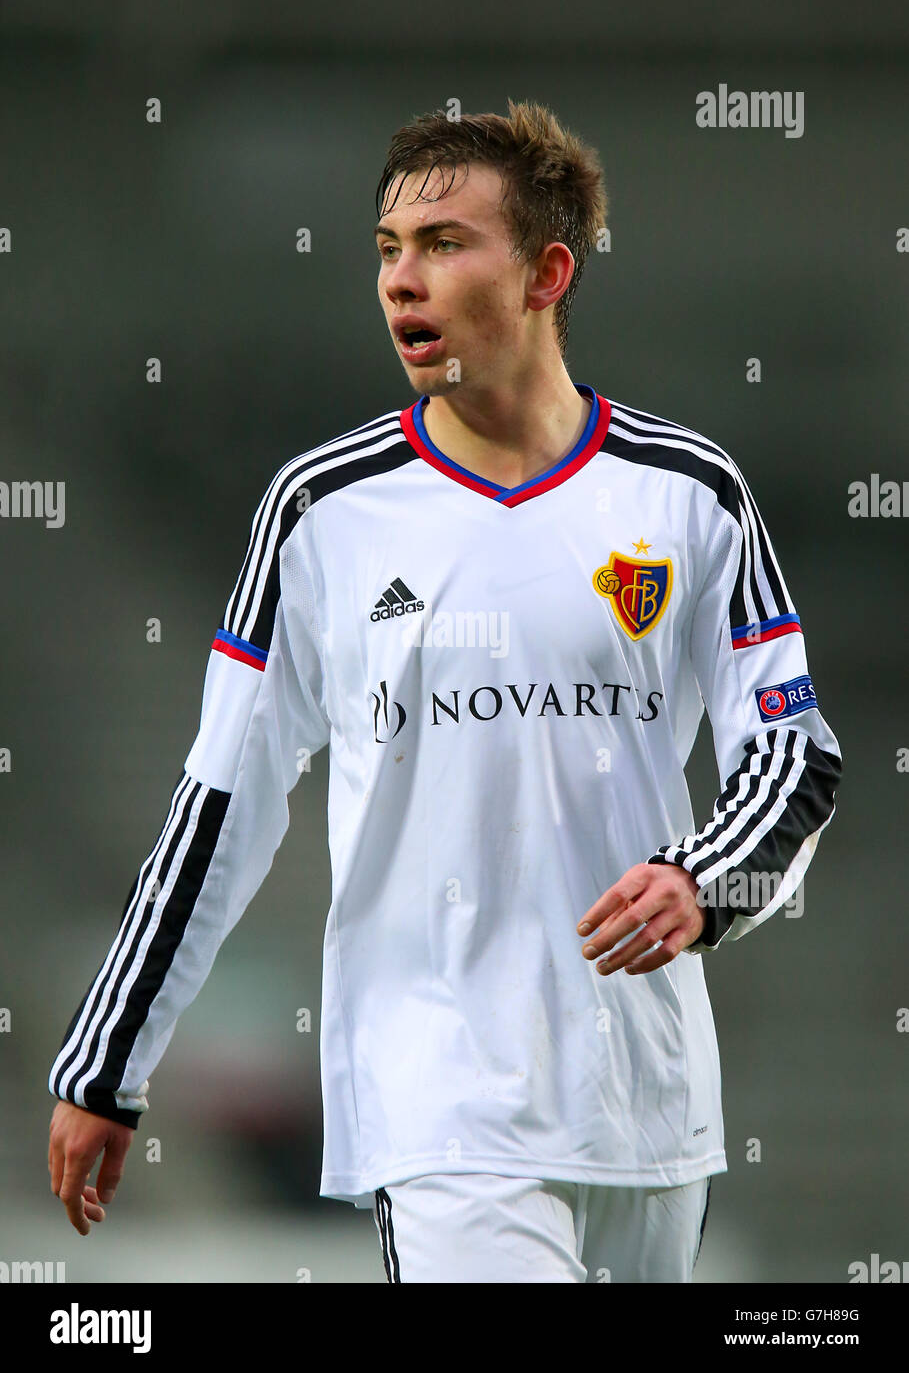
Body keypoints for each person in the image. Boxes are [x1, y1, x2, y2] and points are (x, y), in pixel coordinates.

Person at [48, 99, 842, 1283]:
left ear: (547, 272)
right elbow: (220, 806)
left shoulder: (688, 495)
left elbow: (796, 758)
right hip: (438, 1107)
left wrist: (703, 878)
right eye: (387, 250)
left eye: (444, 245)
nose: (401, 281)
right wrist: (108, 1059)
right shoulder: (324, 512)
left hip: (649, 1102)